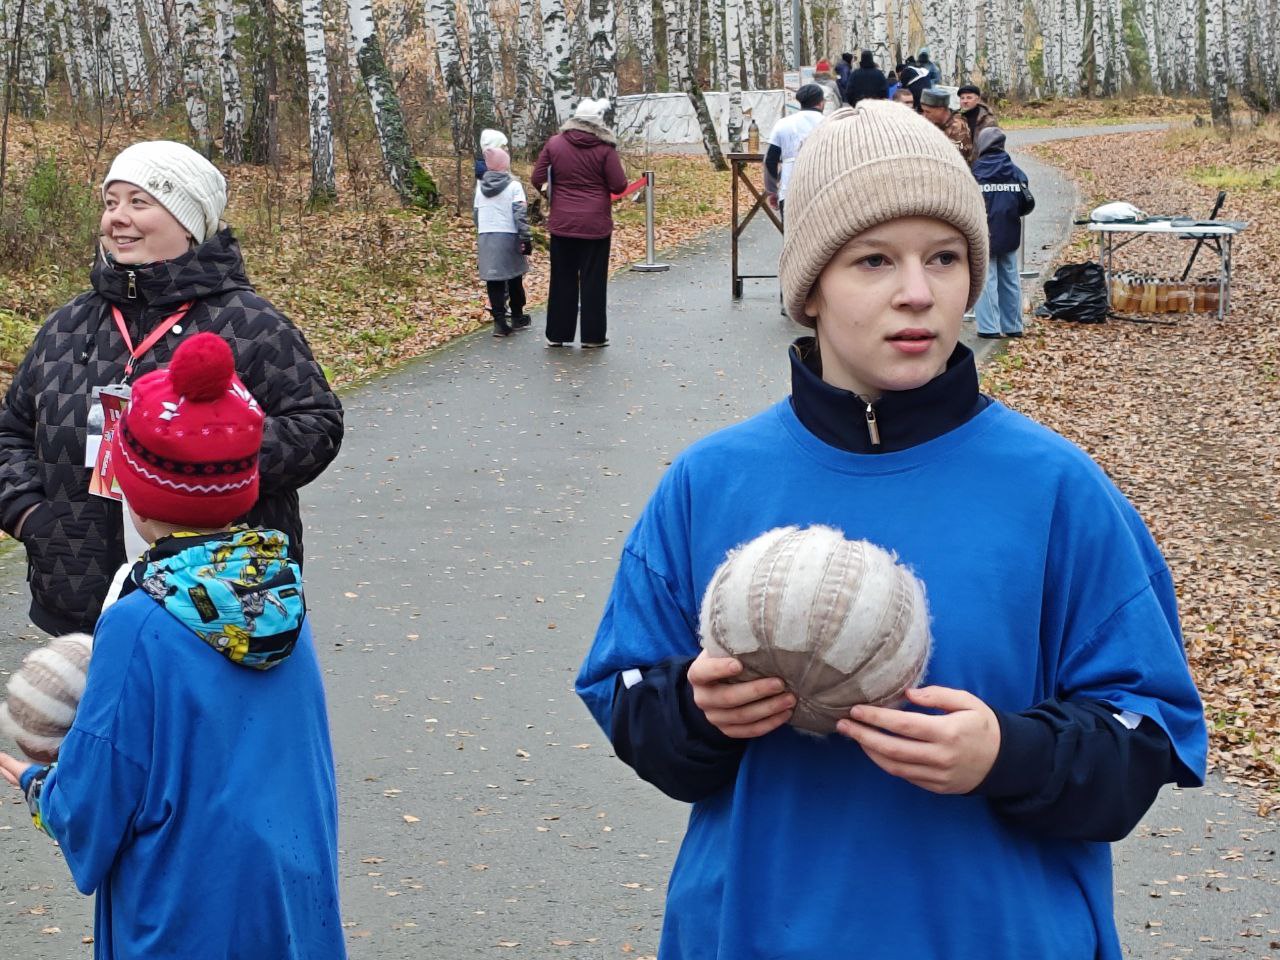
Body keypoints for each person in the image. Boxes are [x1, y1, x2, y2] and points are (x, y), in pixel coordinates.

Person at [576, 100, 1205, 959]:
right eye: (874, 259)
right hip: (756, 932)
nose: (918, 292)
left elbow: (1147, 734)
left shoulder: (1056, 489)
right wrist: (696, 709)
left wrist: (1011, 754)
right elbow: (629, 701)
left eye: (944, 257)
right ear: (811, 287)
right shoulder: (710, 482)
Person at [0, 332, 346, 959]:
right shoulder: (279, 595)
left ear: (133, 489)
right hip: (291, 896)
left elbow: (95, 801)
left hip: (184, 911)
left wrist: (39, 787)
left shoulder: (139, 623)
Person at [0, 140, 343, 637]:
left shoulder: (251, 324)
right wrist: (32, 518)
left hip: (221, 606)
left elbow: (317, 426)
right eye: (111, 202)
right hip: (81, 605)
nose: (117, 218)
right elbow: (10, 431)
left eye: (139, 202)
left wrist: (210, 460)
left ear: (188, 221)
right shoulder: (68, 325)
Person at [531, 97, 628, 348]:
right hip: (595, 224)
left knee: (561, 278)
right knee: (593, 280)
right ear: (598, 120)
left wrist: (551, 195)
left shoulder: (555, 143)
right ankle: (593, 337)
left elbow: (537, 177)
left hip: (562, 223)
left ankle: (557, 334)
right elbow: (619, 185)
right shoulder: (605, 148)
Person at [972, 127, 1030, 339]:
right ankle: (1013, 325)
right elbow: (1025, 202)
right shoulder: (1015, 172)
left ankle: (989, 328)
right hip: (1009, 232)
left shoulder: (974, 172)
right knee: (1010, 279)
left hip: (983, 234)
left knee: (986, 280)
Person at [475, 145, 532, 337]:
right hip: (508, 235)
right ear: (505, 164)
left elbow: (476, 214)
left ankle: (499, 322)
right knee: (515, 276)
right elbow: (520, 213)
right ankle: (517, 315)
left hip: (485, 235)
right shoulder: (514, 186)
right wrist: (525, 238)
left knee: (494, 280)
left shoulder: (480, 187)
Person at [764, 84, 826, 224]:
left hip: (790, 191)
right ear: (821, 102)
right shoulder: (830, 124)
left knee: (791, 235)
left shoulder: (783, 124)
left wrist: (772, 190)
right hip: (823, 192)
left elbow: (770, 160)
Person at [921, 87, 974, 163]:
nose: (924, 115)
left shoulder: (958, 129)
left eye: (928, 112)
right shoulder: (934, 122)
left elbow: (955, 161)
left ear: (941, 109)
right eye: (923, 111)